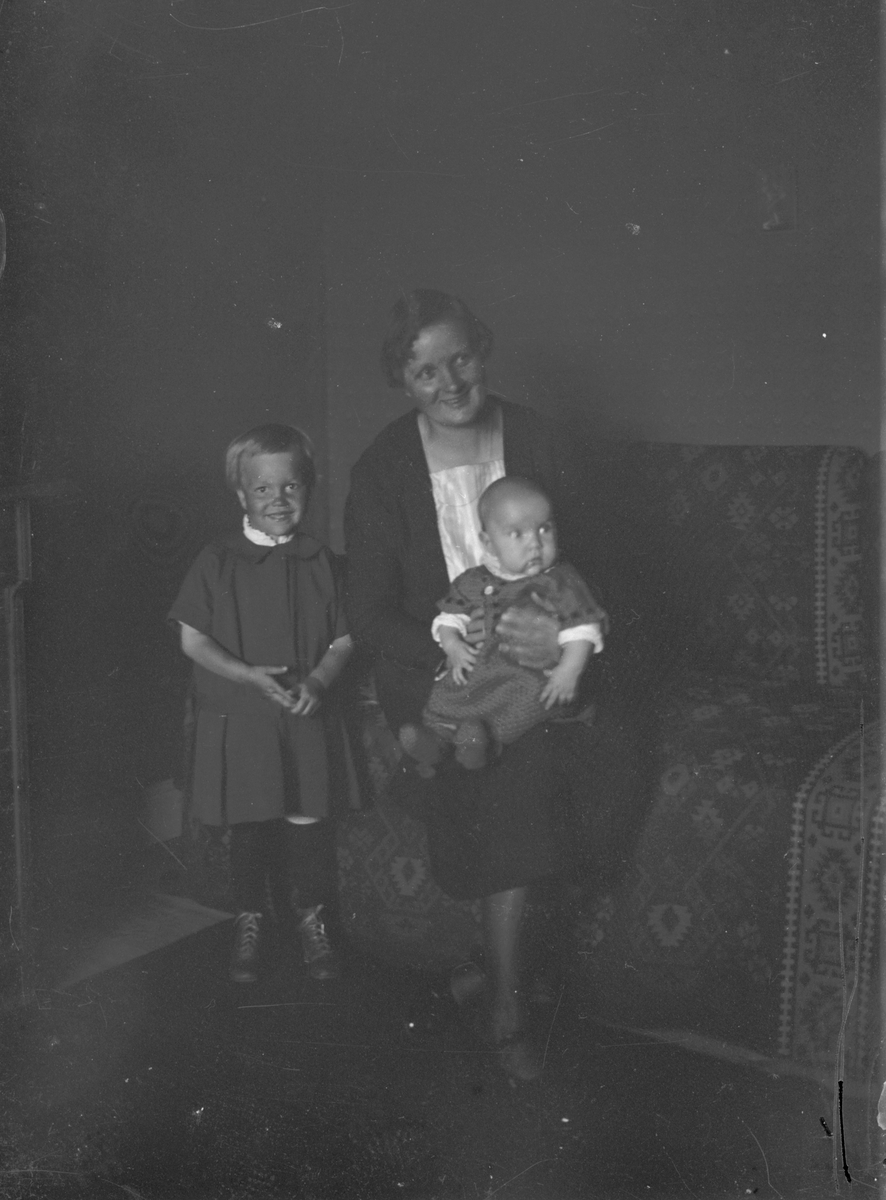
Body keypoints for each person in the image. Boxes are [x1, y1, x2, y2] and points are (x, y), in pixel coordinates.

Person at [344, 289, 647, 1081]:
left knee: (583, 747)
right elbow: (367, 614)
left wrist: (558, 639)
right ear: (401, 380)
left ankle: (494, 972)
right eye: (425, 371)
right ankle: (509, 1005)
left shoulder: (538, 437)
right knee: (520, 770)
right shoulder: (382, 468)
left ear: (483, 352)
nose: (449, 382)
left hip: (547, 658)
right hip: (439, 671)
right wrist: (450, 643)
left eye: (461, 359)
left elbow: (608, 569)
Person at [169, 423, 354, 984]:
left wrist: (318, 682)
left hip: (303, 713)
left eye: (291, 486)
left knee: (307, 824)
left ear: (309, 488)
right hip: (244, 716)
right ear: (240, 494)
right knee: (250, 826)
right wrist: (248, 675)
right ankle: (249, 920)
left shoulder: (322, 560)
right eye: (263, 489)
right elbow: (192, 640)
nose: (278, 499)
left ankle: (311, 920)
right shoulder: (216, 559)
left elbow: (343, 641)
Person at [402, 475, 608, 771]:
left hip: (530, 673)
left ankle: (487, 745)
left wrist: (569, 670)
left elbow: (583, 629)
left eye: (544, 529)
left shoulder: (560, 581)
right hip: (482, 668)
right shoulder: (474, 579)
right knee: (451, 689)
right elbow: (449, 618)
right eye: (517, 534)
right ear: (488, 542)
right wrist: (453, 646)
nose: (535, 544)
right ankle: (437, 738)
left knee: (529, 700)